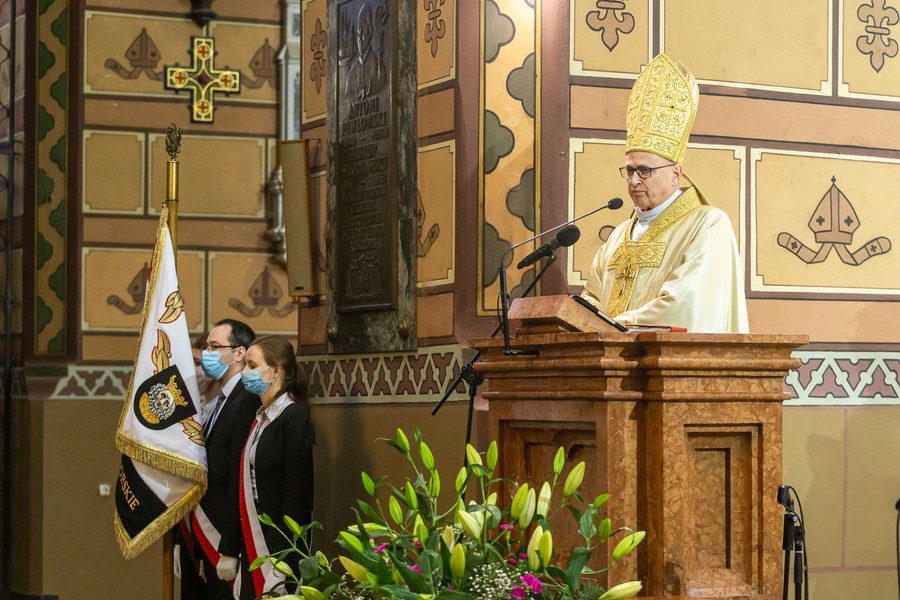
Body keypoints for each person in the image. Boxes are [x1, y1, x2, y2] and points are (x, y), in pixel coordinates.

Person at [581, 53, 749, 334]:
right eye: (629, 170)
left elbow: (684, 305)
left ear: (676, 174)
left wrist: (609, 326)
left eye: (645, 171)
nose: (634, 180)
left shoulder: (708, 225)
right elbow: (590, 299)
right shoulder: (617, 237)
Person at [235, 336, 315, 599]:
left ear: (276, 371)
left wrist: (282, 563)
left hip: (280, 542)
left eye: (252, 365)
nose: (244, 372)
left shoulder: (293, 417)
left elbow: (297, 496)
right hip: (254, 535)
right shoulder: (261, 417)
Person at [190, 319, 261, 599]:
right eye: (207, 346)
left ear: (239, 353)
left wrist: (230, 548)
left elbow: (238, 478)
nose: (207, 353)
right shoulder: (222, 399)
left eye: (215, 346)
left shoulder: (246, 400)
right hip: (212, 532)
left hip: (224, 535)